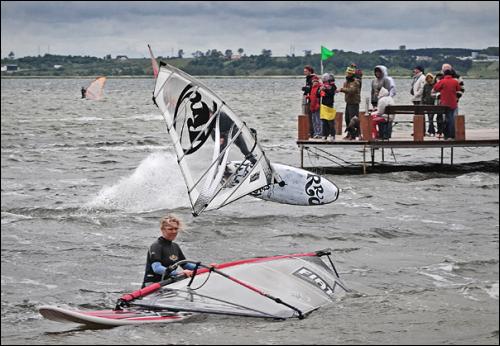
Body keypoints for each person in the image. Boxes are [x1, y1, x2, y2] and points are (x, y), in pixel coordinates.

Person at [142, 215, 197, 288]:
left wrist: (207, 268)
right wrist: (178, 273)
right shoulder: (156, 246)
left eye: (176, 229)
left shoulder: (175, 246)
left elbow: (186, 265)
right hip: (152, 285)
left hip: (169, 282)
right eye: (170, 229)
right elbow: (157, 268)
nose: (174, 232)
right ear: (162, 230)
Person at [433, 68, 461, 140]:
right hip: (453, 103)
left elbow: (435, 88)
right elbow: (459, 89)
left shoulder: (442, 81)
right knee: (452, 118)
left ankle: (447, 134)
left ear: (444, 74)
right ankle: (452, 135)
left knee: (446, 118)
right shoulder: (455, 81)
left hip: (444, 103)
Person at [340, 65, 361, 139]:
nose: (347, 74)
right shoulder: (346, 82)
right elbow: (347, 89)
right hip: (348, 102)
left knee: (353, 120)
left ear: (352, 74)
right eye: (347, 73)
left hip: (354, 103)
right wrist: (344, 89)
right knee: (347, 119)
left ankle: (354, 135)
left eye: (349, 73)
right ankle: (349, 134)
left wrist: (342, 89)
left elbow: (352, 91)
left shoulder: (355, 82)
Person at [319, 73, 337, 141]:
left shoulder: (333, 86)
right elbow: (318, 94)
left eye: (326, 81)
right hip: (323, 105)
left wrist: (325, 89)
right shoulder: (323, 86)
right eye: (324, 81)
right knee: (324, 121)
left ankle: (332, 135)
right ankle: (324, 135)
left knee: (330, 121)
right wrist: (320, 90)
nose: (325, 83)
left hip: (329, 105)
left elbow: (331, 93)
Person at [301, 65, 316, 139]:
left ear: (310, 71)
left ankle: (312, 132)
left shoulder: (313, 78)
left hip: (313, 100)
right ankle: (310, 131)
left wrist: (306, 89)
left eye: (306, 71)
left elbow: (312, 88)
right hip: (309, 99)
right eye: (304, 71)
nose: (304, 72)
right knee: (308, 116)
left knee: (311, 116)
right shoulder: (308, 78)